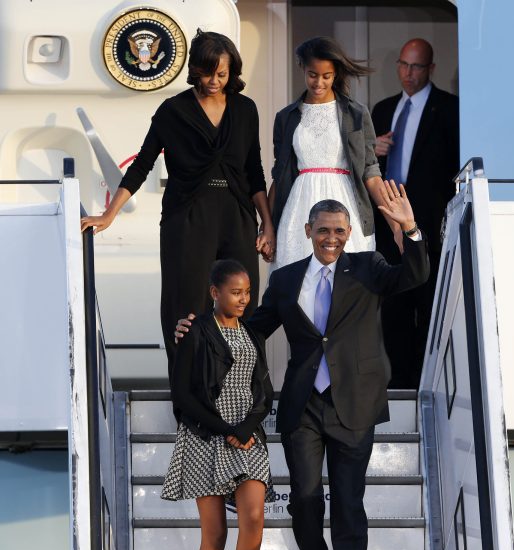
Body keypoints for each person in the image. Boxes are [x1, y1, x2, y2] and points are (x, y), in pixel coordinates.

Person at [177, 182, 429, 550]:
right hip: (304, 407)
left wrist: (409, 229)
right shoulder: (286, 279)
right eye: (323, 230)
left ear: (348, 233)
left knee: (349, 508)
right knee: (305, 504)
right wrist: (198, 330)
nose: (331, 238)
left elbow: (414, 275)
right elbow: (249, 328)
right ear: (309, 230)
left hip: (355, 404)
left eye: (339, 230)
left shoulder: (369, 267)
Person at [80, 30, 273, 374]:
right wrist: (109, 215)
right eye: (207, 72)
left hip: (237, 216)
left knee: (241, 304)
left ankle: (238, 397)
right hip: (187, 217)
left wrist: (267, 225)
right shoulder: (174, 110)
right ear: (195, 69)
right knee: (186, 307)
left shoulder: (245, 109)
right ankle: (190, 400)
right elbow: (142, 163)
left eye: (222, 74)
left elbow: (254, 171)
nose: (214, 81)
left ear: (232, 73)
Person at [163, 259, 274, 550]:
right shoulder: (195, 332)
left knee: (254, 517)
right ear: (215, 292)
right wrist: (223, 427)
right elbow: (181, 394)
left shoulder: (253, 334)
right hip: (205, 436)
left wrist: (245, 428)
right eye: (235, 292)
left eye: (247, 293)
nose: (243, 299)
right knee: (214, 534)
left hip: (247, 436)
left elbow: (264, 391)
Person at [371, 38, 460, 387]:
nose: (408, 74)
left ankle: (425, 384)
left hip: (429, 223)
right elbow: (365, 167)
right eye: (403, 65)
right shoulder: (382, 109)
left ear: (431, 69)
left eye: (416, 66)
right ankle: (399, 385)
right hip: (386, 222)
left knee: (427, 304)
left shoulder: (450, 109)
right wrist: (373, 149)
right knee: (393, 307)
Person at [269, 36, 394, 270]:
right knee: (297, 283)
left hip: (346, 203)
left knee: (348, 281)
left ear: (335, 74)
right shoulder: (286, 117)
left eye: (326, 76)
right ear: (302, 69)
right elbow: (280, 175)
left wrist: (396, 224)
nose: (319, 83)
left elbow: (370, 171)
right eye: (312, 75)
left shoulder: (356, 113)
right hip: (298, 210)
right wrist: (267, 226)